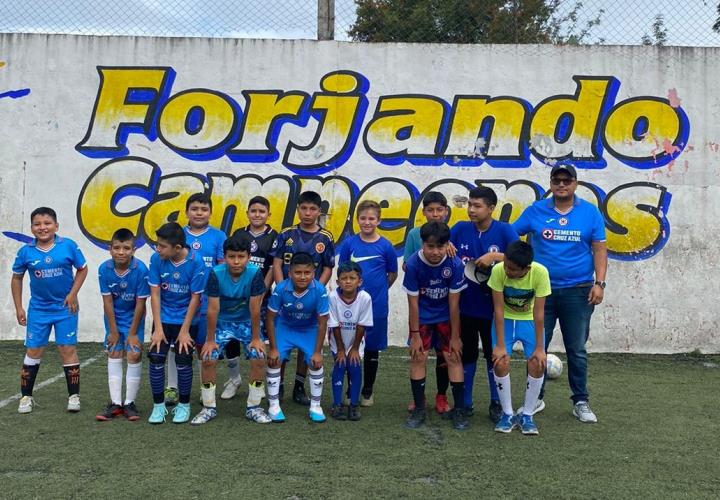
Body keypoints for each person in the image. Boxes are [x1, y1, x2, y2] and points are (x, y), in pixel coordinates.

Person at [512, 164, 607, 423]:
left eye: (567, 180)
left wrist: (600, 283)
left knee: (576, 349)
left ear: (575, 183)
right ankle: (535, 398)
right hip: (541, 291)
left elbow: (599, 249)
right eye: (557, 180)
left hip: (578, 290)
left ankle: (581, 401)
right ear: (551, 183)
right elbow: (511, 235)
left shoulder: (590, 213)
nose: (562, 184)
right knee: (537, 346)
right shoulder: (536, 210)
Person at [450, 186, 518, 423]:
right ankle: (465, 404)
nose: (471, 209)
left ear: (491, 208)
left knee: (494, 356)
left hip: (494, 309)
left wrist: (495, 257)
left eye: (477, 205)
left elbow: (522, 257)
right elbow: (442, 247)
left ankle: (496, 403)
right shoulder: (459, 229)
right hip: (465, 306)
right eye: (469, 204)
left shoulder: (504, 230)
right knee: (466, 355)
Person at [12, 207, 88, 414]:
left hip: (65, 308)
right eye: (37, 224)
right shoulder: (25, 251)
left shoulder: (68, 246)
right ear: (31, 228)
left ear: (56, 226)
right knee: (34, 350)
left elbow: (83, 269)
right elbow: (17, 278)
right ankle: (26, 397)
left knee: (67, 349)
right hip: (38, 309)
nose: (42, 227)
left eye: (47, 223)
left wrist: (72, 294)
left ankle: (74, 396)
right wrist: (19, 307)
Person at [191, 236, 271, 425]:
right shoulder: (216, 274)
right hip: (222, 323)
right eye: (231, 256)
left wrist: (256, 338)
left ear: (249, 257)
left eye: (241, 256)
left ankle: (254, 407)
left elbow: (255, 308)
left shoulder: (255, 273)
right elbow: (212, 310)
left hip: (245, 322)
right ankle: (209, 408)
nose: (236, 261)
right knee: (208, 359)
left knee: (258, 356)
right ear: (224, 257)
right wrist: (210, 340)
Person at [270, 191, 335, 406]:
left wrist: (316, 291)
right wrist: (282, 288)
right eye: (304, 208)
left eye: (312, 209)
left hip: (311, 300)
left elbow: (327, 267)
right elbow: (278, 262)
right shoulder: (287, 234)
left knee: (306, 346)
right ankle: (277, 385)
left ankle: (299, 386)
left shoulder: (325, 237)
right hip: (286, 299)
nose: (308, 213)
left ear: (319, 211)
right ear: (298, 209)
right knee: (281, 346)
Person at [402, 222, 468, 430]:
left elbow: (454, 304)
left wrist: (456, 336)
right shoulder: (413, 264)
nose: (435, 252)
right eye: (430, 247)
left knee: (453, 358)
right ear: (422, 244)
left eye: (440, 247)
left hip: (446, 318)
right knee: (418, 357)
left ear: (448, 245)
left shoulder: (455, 264)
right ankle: (419, 409)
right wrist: (414, 335)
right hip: (422, 319)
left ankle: (458, 410)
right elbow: (412, 303)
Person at [165, 193, 226, 406]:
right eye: (194, 209)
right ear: (186, 212)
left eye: (204, 209)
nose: (199, 213)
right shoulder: (177, 234)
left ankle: (204, 388)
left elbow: (221, 268)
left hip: (207, 302)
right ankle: (172, 388)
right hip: (178, 304)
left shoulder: (219, 236)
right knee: (175, 346)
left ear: (210, 212)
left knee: (203, 346)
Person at [338, 200, 397, 407]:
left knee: (371, 349)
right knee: (349, 347)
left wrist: (377, 292)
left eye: (372, 218)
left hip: (377, 306)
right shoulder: (349, 244)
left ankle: (367, 391)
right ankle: (350, 388)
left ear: (379, 220)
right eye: (363, 218)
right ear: (357, 220)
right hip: (349, 306)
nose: (367, 222)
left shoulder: (386, 246)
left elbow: (392, 274)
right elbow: (343, 271)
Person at [488, 241, 551, 435]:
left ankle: (528, 415)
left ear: (527, 268)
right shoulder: (498, 270)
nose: (507, 271)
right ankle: (507, 414)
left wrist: (541, 347)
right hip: (505, 320)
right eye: (506, 265)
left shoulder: (540, 273)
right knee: (499, 361)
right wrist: (499, 344)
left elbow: (539, 313)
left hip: (529, 321)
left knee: (538, 363)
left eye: (513, 269)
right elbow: (498, 309)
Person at [147, 222, 206, 424]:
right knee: (155, 359)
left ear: (178, 248)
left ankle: (184, 405)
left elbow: (195, 299)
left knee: (183, 360)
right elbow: (155, 294)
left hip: (187, 320)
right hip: (163, 318)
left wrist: (184, 331)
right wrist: (158, 329)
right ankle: (158, 407)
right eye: (158, 244)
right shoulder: (156, 259)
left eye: (162, 246)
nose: (158, 249)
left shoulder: (196, 262)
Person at [403, 191, 452, 414]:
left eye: (439, 210)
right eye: (430, 210)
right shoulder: (415, 234)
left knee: (445, 356)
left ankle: (441, 396)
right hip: (422, 307)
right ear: (423, 212)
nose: (435, 214)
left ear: (446, 211)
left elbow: (456, 264)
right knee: (419, 354)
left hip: (445, 308)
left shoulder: (453, 233)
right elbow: (406, 265)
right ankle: (418, 397)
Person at [265, 252, 329, 423]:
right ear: (290, 273)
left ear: (313, 273)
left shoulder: (320, 291)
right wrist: (272, 348)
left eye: (307, 273)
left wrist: (317, 352)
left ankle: (316, 406)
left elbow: (322, 323)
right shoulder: (280, 289)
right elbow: (270, 319)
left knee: (315, 363)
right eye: (298, 273)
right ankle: (273, 405)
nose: (302, 277)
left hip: (309, 328)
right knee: (274, 360)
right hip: (285, 327)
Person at [226, 195, 277, 399]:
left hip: (261, 297)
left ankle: (258, 383)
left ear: (268, 214)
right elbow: (231, 264)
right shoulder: (239, 234)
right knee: (231, 338)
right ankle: (234, 379)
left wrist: (260, 292)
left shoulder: (275, 236)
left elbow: (273, 267)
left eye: (261, 211)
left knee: (259, 339)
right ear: (247, 213)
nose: (257, 215)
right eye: (253, 211)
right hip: (237, 297)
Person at [95, 228, 150, 421]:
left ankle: (129, 403)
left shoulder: (141, 270)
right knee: (114, 352)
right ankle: (115, 403)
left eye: (126, 248)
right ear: (110, 249)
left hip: (135, 318)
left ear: (133, 250)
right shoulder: (104, 269)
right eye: (116, 248)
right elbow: (107, 302)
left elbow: (141, 304)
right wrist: (113, 330)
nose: (121, 252)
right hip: (113, 319)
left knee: (134, 353)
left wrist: (133, 333)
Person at [328, 261, 373, 421]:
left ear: (359, 281)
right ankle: (337, 404)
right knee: (340, 365)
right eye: (344, 278)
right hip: (338, 341)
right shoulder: (332, 297)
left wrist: (354, 349)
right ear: (337, 281)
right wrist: (341, 349)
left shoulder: (365, 298)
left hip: (356, 341)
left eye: (352, 278)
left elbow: (362, 326)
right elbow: (334, 325)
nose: (348, 281)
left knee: (354, 366)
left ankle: (354, 405)